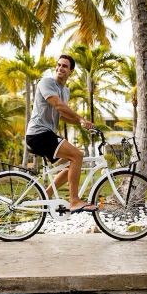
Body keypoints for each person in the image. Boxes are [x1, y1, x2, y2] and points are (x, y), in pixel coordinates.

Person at [25, 53, 98, 213]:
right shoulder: (47, 82)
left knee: (72, 165)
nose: (60, 68)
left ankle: (45, 195)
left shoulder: (65, 91)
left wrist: (82, 123)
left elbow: (62, 115)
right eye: (58, 65)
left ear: (71, 70)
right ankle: (74, 200)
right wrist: (79, 117)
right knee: (77, 156)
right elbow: (58, 105)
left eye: (64, 66)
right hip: (38, 134)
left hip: (47, 135)